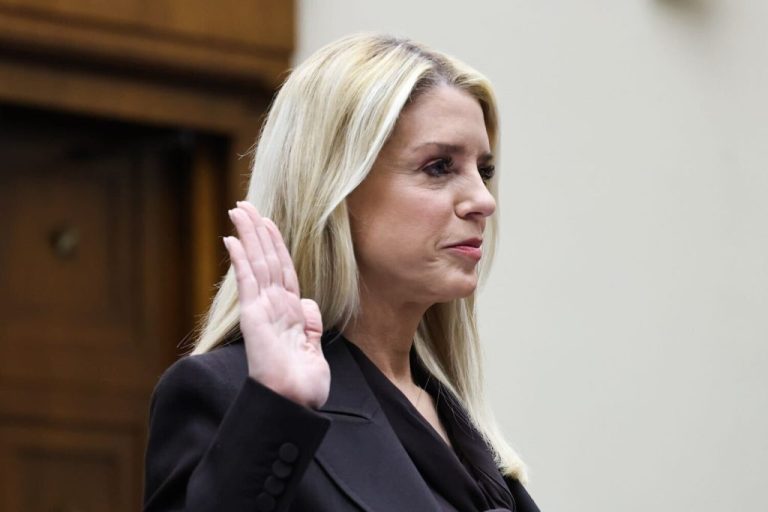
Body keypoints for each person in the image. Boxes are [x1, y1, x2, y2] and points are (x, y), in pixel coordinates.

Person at [143, 33, 540, 512]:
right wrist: (278, 408)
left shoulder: (459, 424)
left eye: (485, 169)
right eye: (439, 167)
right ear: (335, 185)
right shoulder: (237, 395)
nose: (483, 200)